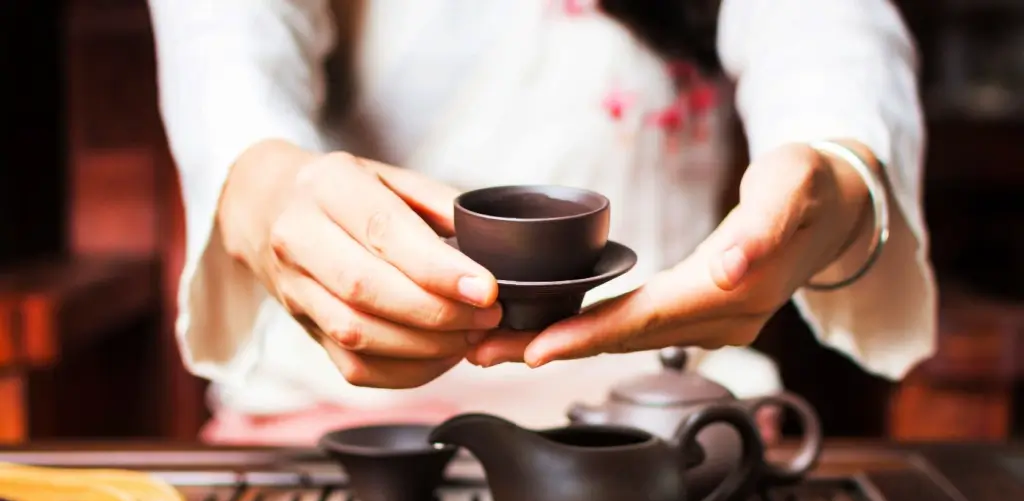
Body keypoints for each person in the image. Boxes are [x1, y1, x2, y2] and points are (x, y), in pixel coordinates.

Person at [147, 0, 935, 445]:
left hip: (668, 427)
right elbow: (228, 51)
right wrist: (260, 183)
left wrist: (838, 171)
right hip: (337, 418)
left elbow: (830, 36)